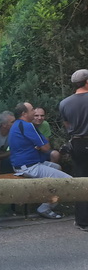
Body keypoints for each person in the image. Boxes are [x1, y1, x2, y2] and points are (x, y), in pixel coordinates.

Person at [8, 102, 70, 219]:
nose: (35, 112)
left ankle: (49, 197)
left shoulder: (16, 124)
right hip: (30, 167)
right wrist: (39, 145)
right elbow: (46, 147)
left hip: (21, 165)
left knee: (56, 167)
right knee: (68, 182)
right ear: (24, 113)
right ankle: (45, 207)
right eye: (32, 110)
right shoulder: (28, 126)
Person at [58, 69, 88, 231]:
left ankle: (82, 220)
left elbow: (67, 125)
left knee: (81, 180)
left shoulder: (64, 103)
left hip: (77, 143)